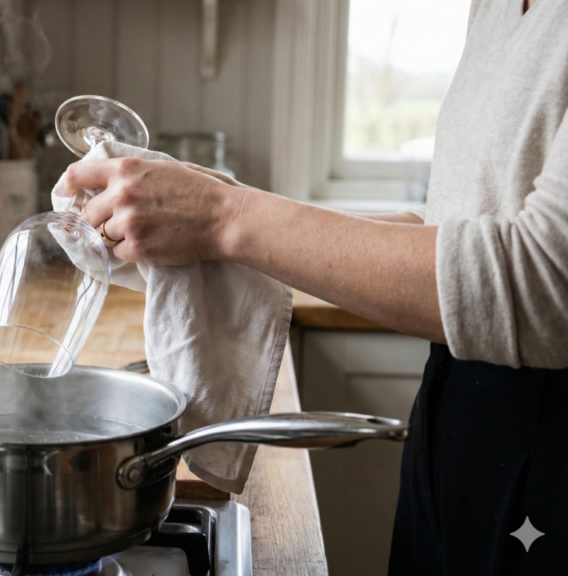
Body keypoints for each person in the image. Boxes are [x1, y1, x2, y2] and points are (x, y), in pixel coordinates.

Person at [60, 0, 568, 574]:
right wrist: (216, 205)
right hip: (456, 425)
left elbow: (542, 280)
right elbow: (455, 230)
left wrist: (224, 217)